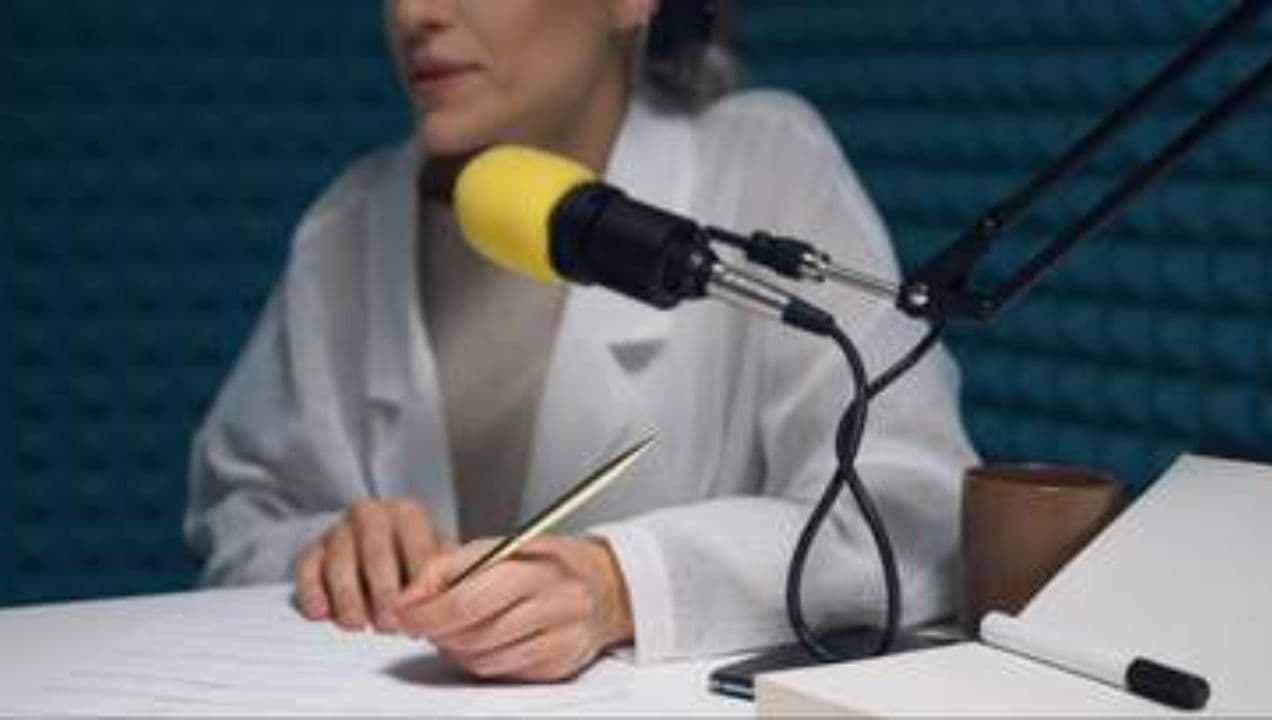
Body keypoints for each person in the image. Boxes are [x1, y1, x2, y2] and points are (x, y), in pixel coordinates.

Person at [185, 0, 977, 682]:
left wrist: (625, 586)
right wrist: (324, 555)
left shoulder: (763, 167)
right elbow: (242, 512)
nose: (413, 13)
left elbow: (916, 511)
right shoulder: (350, 225)